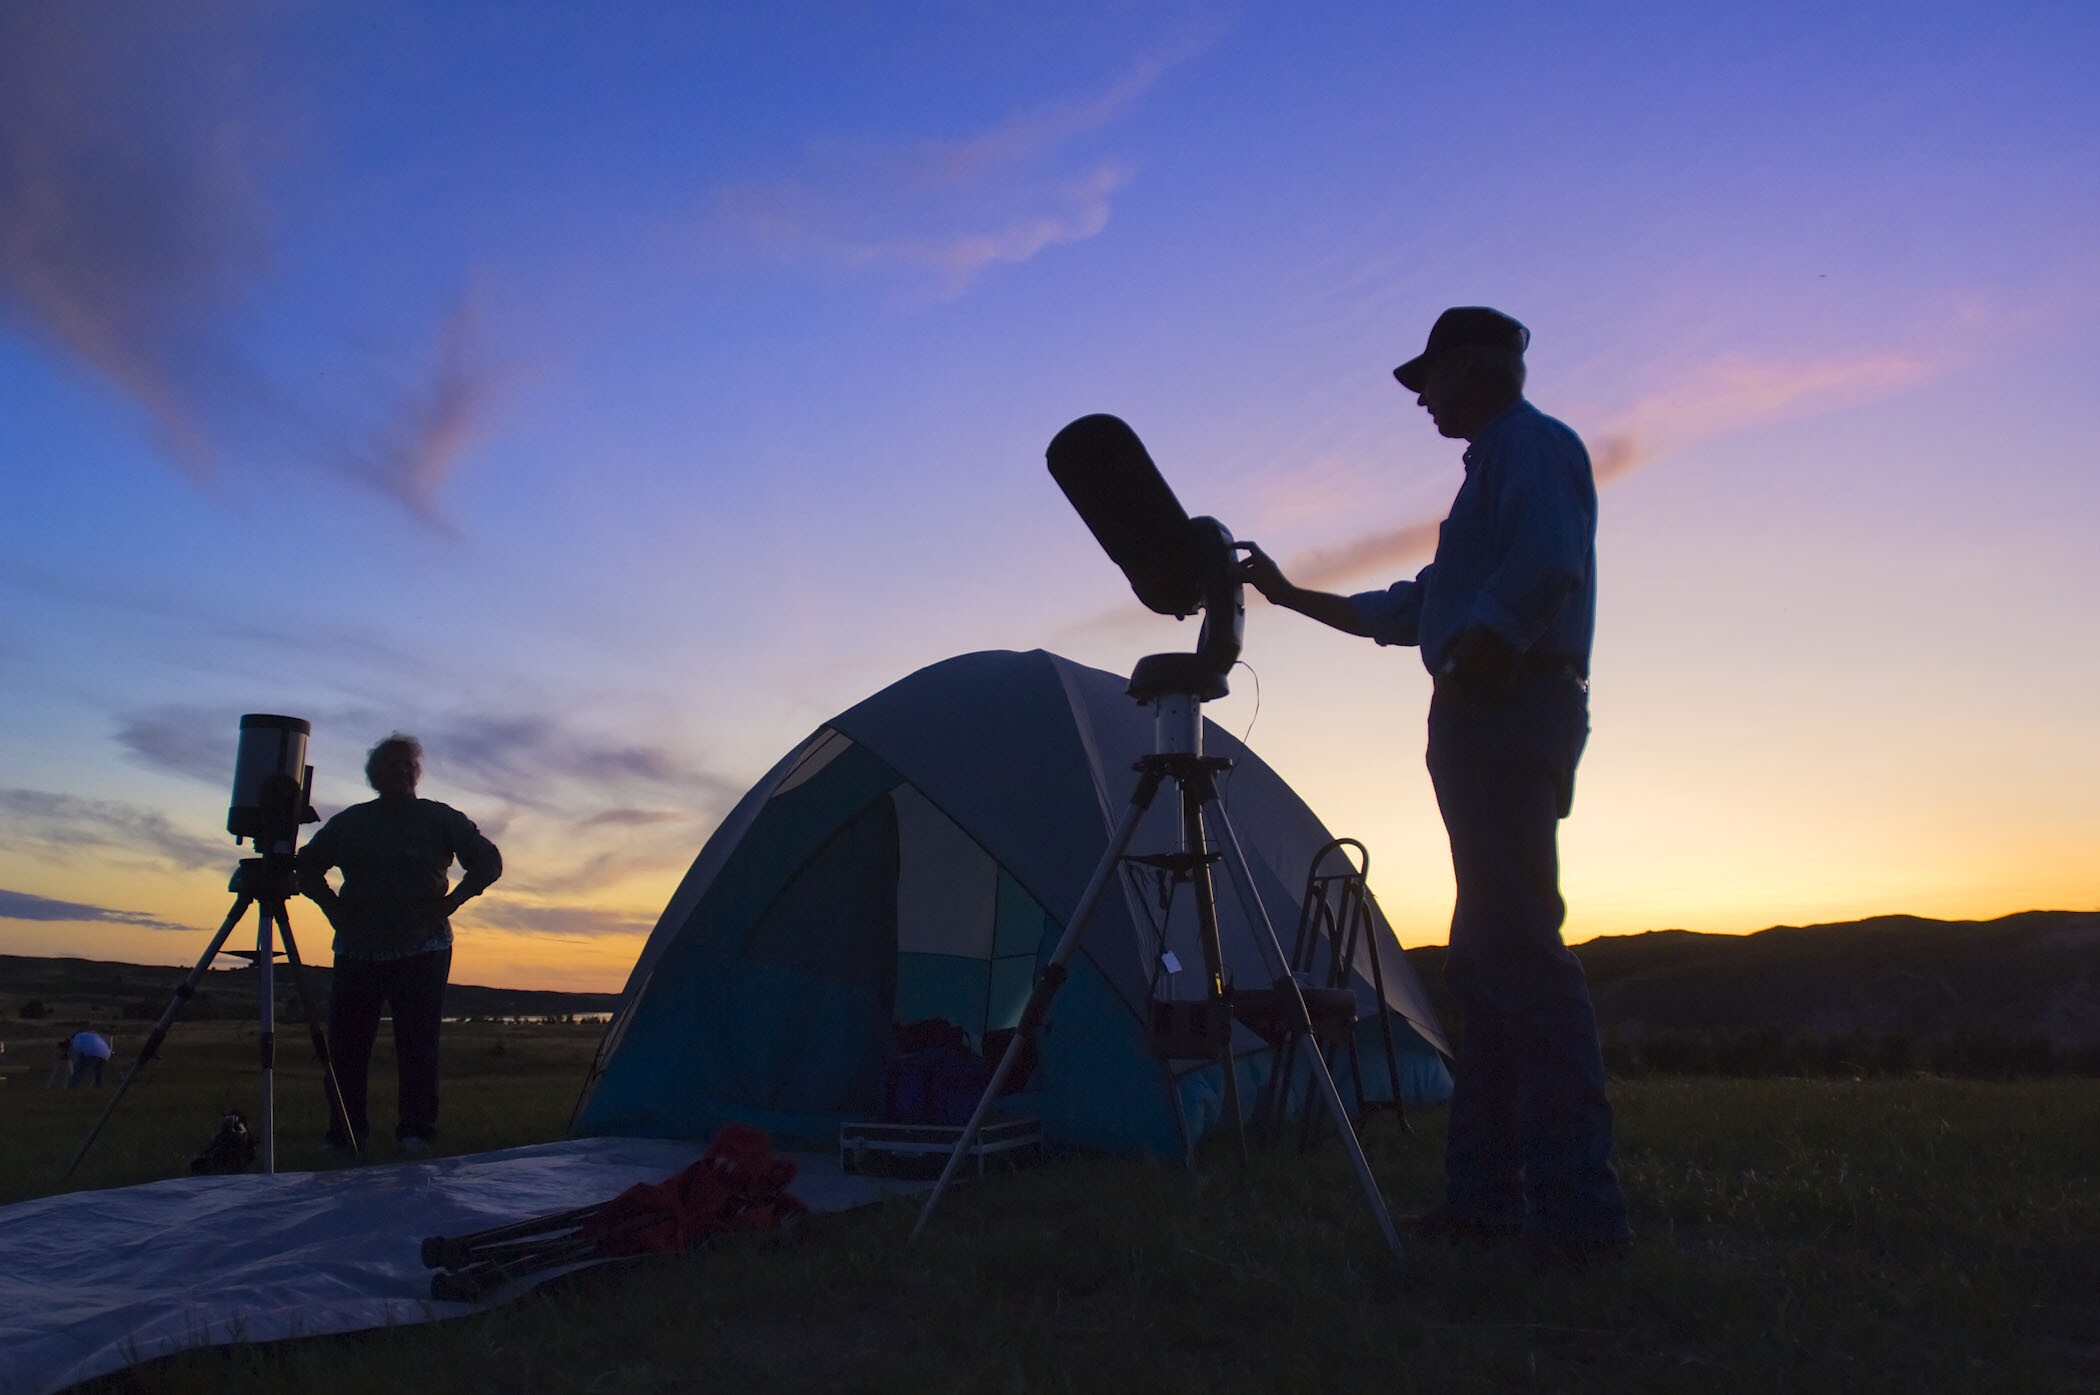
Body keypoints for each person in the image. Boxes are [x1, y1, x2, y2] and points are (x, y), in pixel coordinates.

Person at [1235, 306, 1631, 1263]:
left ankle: (1579, 1214)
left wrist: (1479, 658)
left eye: (1431, 379)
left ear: (1479, 365)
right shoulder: (1491, 472)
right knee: (1490, 963)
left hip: (1504, 709)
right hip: (1490, 713)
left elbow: (1544, 567)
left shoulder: (1530, 449)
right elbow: (1412, 608)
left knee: (1523, 955)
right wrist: (1291, 596)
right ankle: (1488, 1198)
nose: (1421, 398)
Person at [296, 733, 501, 1154]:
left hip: (423, 950)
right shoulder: (351, 823)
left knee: (418, 1044)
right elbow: (307, 867)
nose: (403, 773)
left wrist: (452, 902)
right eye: (393, 767)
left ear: (417, 773)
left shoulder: (440, 818)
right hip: (357, 950)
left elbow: (489, 861)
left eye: (409, 766)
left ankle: (416, 1131)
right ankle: (344, 1134)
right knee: (347, 1047)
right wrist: (333, 910)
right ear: (375, 777)